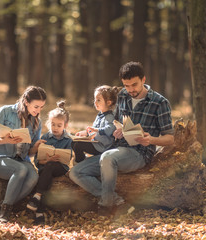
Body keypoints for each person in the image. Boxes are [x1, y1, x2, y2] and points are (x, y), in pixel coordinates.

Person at [69, 61, 174, 215]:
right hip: (115, 149)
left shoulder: (160, 102)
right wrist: (116, 131)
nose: (130, 90)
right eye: (126, 85)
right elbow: (117, 122)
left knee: (108, 157)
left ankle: (105, 206)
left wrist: (151, 140)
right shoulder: (122, 96)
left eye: (134, 85)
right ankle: (117, 201)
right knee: (76, 172)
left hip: (139, 152)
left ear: (144, 80)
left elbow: (170, 139)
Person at [0, 86, 47, 223]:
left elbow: (29, 152)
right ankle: (4, 213)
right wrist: (4, 140)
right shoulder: (5, 112)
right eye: (36, 106)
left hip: (20, 160)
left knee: (33, 176)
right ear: (26, 102)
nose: (38, 110)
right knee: (21, 169)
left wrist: (36, 147)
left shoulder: (36, 121)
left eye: (41, 107)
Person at [26, 100, 73, 225]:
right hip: (45, 168)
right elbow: (37, 161)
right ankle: (39, 213)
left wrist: (54, 160)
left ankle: (37, 196)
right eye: (53, 124)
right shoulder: (45, 138)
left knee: (51, 166)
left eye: (59, 125)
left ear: (65, 125)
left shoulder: (69, 140)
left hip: (60, 167)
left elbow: (67, 160)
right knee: (46, 175)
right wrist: (45, 160)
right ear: (48, 123)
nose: (55, 128)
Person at [72, 85, 120, 163]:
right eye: (95, 99)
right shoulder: (100, 115)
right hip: (95, 143)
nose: (95, 102)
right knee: (73, 142)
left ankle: (80, 163)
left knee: (78, 145)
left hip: (102, 147)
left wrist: (97, 130)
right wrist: (85, 133)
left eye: (98, 100)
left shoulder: (109, 116)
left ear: (108, 102)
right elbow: (94, 129)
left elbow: (111, 129)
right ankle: (82, 159)